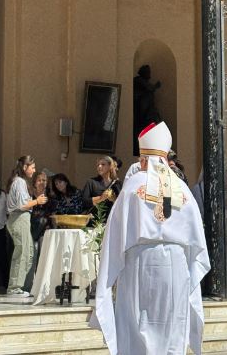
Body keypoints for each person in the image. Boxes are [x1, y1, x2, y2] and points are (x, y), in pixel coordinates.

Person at [90, 122, 210, 355]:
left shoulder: (134, 185)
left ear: (144, 159)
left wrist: (109, 269)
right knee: (171, 324)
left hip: (140, 263)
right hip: (176, 265)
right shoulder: (180, 188)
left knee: (139, 324)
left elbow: (116, 231)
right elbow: (196, 237)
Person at [6, 155, 47, 297]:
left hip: (23, 218)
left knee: (28, 252)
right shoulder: (19, 182)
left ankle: (21, 286)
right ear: (25, 167)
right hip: (19, 217)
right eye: (33, 167)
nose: (34, 170)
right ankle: (14, 288)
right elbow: (22, 205)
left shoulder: (21, 182)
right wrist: (37, 201)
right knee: (22, 252)